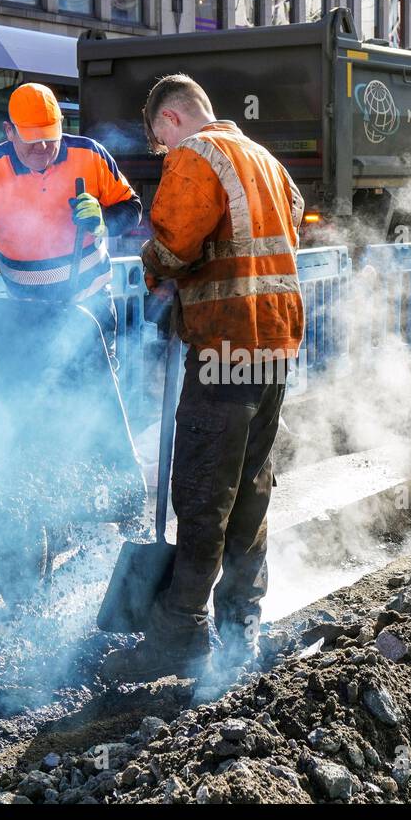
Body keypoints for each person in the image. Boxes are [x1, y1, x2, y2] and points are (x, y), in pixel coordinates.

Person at [101, 74, 305, 684]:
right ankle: (241, 622)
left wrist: (156, 270)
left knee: (201, 490)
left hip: (224, 344)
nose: (165, 156)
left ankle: (179, 634)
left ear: (169, 122)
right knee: (249, 488)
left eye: (159, 146)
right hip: (273, 343)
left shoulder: (196, 154)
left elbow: (175, 243)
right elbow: (290, 219)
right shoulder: (264, 158)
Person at [0, 82, 141, 355]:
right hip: (23, 310)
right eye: (31, 137)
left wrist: (103, 221)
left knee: (96, 384)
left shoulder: (91, 155)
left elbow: (132, 208)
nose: (42, 146)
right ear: (9, 132)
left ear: (61, 124)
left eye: (50, 135)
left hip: (89, 306)